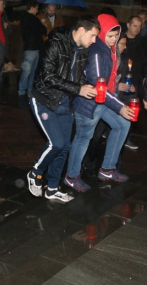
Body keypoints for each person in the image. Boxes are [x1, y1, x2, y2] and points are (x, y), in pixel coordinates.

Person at [27, 15, 99, 202]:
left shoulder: (82, 50)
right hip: (45, 100)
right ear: (81, 30)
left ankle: (52, 188)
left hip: (65, 103)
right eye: (92, 36)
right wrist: (78, 89)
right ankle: (35, 172)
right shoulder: (56, 43)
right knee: (56, 143)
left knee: (64, 147)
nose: (94, 41)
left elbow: (77, 76)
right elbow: (48, 77)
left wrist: (88, 86)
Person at [65, 14, 134, 192]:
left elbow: (108, 83)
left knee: (122, 125)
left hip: (103, 101)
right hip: (88, 103)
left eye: (115, 36)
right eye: (109, 36)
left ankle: (107, 169)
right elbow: (98, 84)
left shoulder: (108, 49)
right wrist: (120, 106)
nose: (113, 40)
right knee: (83, 139)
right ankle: (71, 176)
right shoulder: (97, 50)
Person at [18, 0, 46, 98]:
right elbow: (43, 30)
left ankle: (24, 91)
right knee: (30, 71)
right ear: (33, 8)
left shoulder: (24, 18)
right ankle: (26, 91)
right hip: (33, 48)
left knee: (29, 71)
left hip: (30, 47)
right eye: (37, 8)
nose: (37, 11)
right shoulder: (33, 19)